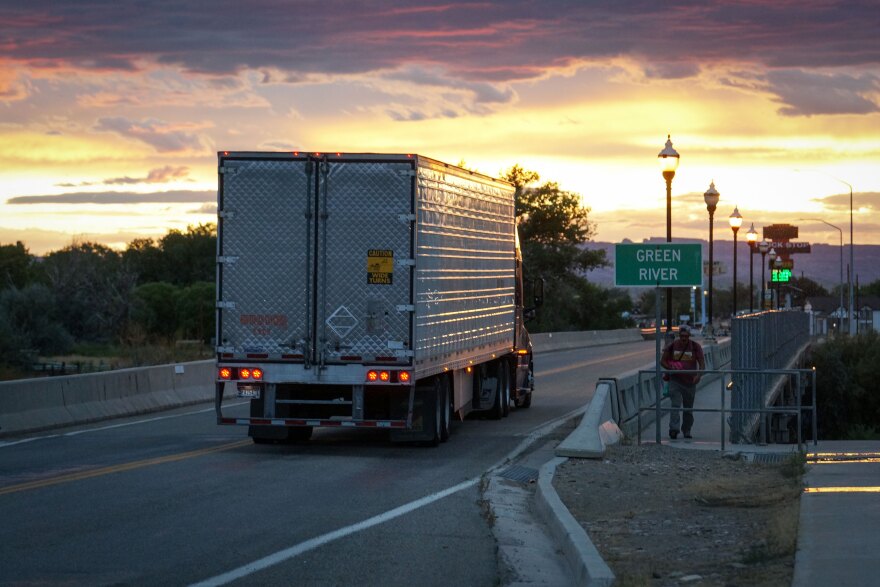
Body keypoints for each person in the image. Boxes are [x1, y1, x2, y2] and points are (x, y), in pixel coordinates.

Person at [661, 324, 705, 439]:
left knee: (688, 408)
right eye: (681, 336)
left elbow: (702, 364)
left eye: (686, 336)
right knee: (675, 404)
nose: (684, 338)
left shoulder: (695, 347)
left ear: (689, 336)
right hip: (675, 380)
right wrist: (670, 368)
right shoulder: (672, 346)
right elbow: (663, 361)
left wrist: (698, 376)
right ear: (679, 335)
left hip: (690, 382)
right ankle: (674, 429)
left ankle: (686, 430)